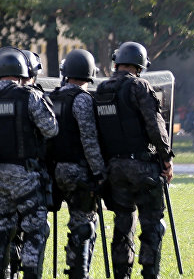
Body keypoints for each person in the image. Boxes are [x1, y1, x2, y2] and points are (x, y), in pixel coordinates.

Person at [0, 47, 58, 279]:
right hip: (25, 176)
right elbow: (51, 130)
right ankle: (30, 273)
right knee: (35, 230)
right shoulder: (29, 96)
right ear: (22, 72)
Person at [93, 42, 174, 279]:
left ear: (117, 63)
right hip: (143, 168)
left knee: (123, 222)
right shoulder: (140, 87)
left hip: (115, 169)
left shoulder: (101, 91)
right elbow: (155, 128)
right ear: (139, 66)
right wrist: (166, 160)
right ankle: (149, 273)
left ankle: (121, 274)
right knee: (152, 224)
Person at [46, 49, 106, 279]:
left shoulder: (53, 97)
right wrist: (99, 172)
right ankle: (78, 272)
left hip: (54, 171)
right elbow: (89, 140)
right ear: (89, 73)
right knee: (83, 225)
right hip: (78, 172)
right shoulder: (82, 100)